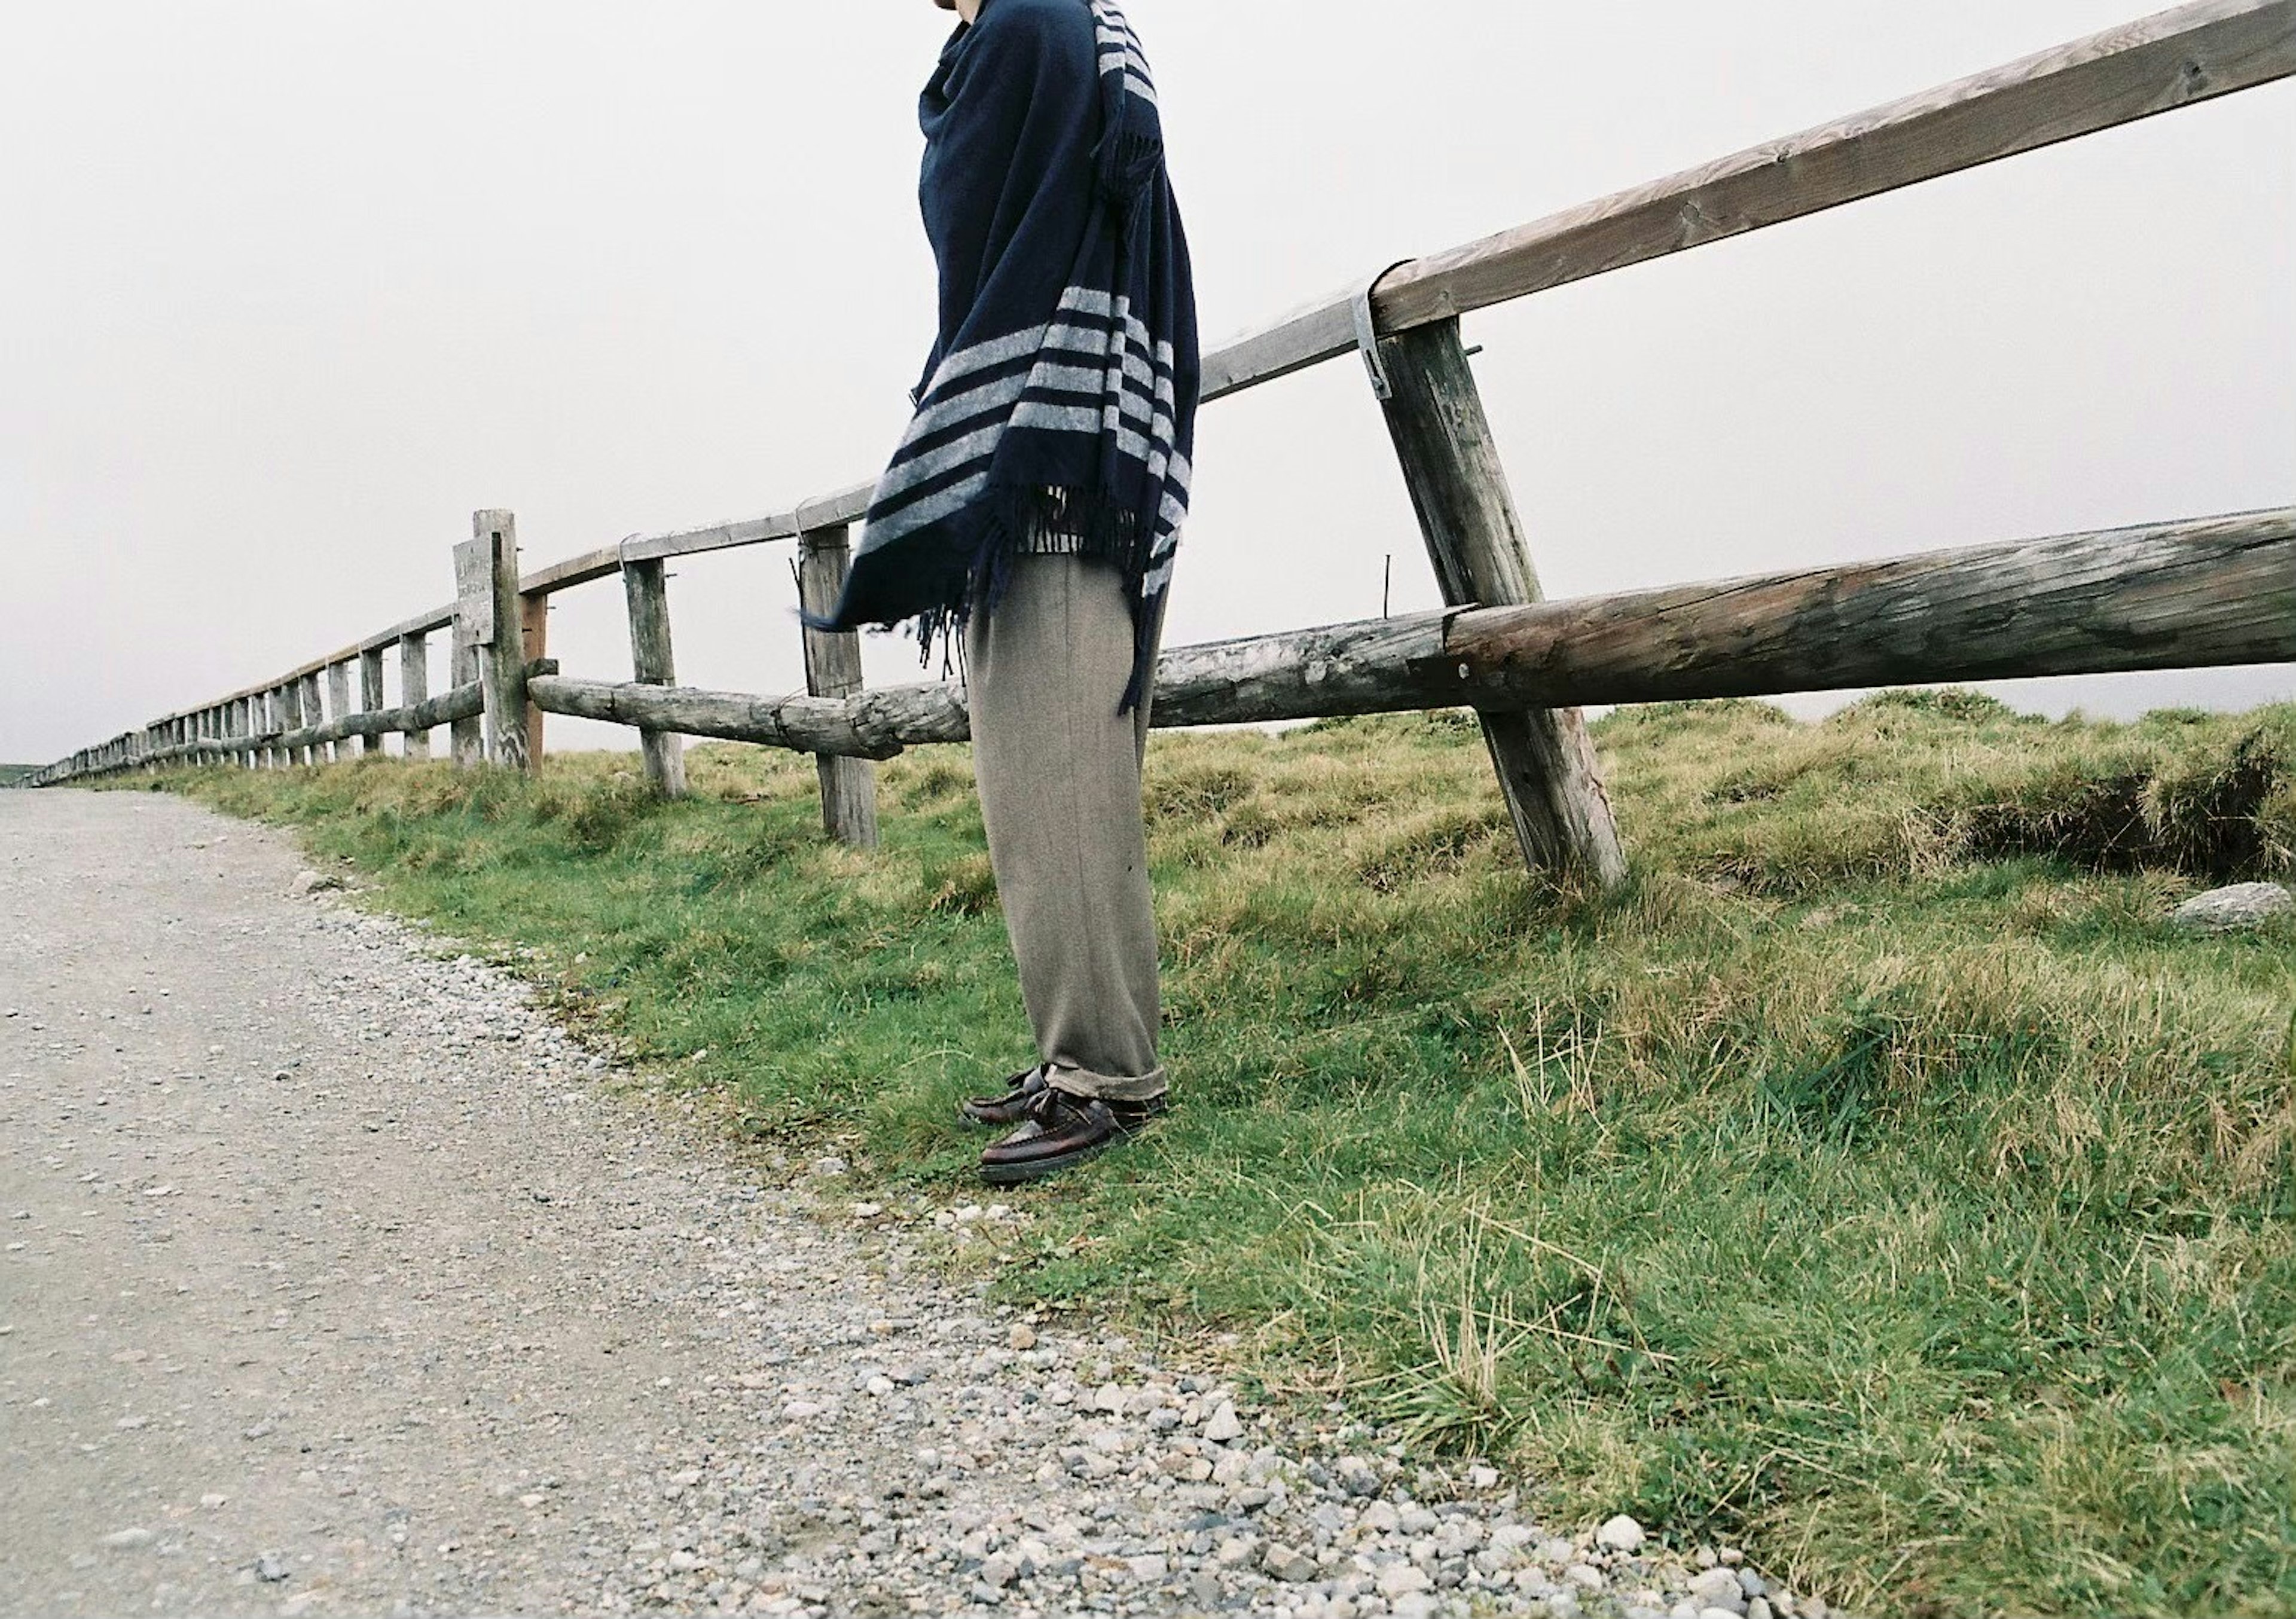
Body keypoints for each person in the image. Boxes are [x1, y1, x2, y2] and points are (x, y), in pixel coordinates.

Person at [806, 0, 1200, 1183]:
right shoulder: (1050, 24)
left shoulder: (1029, 25)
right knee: (1044, 771)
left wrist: (970, 420)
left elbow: (994, 234)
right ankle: (1078, 1050)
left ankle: (1103, 1076)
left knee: (1062, 767)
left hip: (1054, 444)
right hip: (1073, 434)